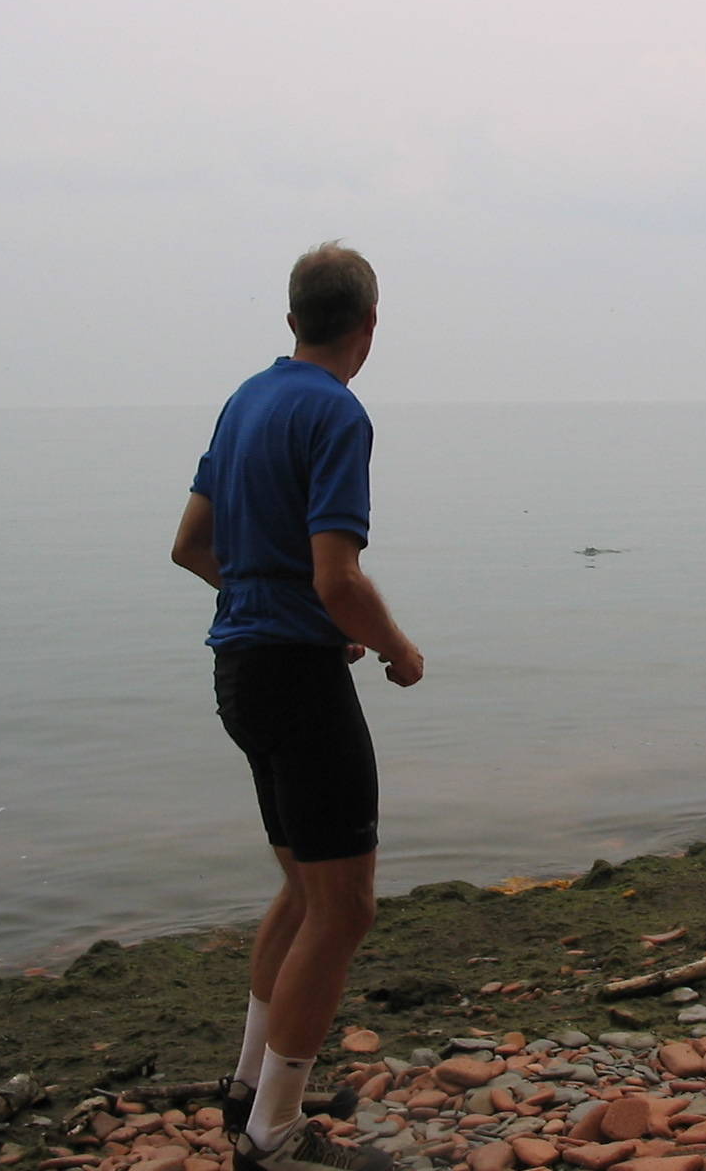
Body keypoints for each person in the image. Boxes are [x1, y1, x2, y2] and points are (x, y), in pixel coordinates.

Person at [171, 241, 423, 1171]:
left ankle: (247, 1090)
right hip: (296, 680)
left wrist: (282, 609)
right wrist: (397, 649)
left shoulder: (248, 399)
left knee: (302, 889)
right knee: (345, 908)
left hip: (240, 671)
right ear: (369, 325)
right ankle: (275, 1135)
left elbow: (192, 545)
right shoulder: (337, 413)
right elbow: (338, 575)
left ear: (290, 322)